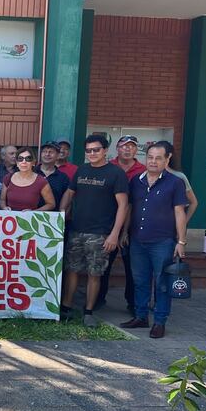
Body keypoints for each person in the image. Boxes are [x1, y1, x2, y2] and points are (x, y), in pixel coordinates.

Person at [119, 142, 187, 339]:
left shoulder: (175, 182)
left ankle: (159, 321)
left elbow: (179, 212)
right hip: (137, 240)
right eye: (150, 157)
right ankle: (141, 316)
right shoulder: (136, 181)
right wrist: (124, 232)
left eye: (158, 158)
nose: (153, 161)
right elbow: (130, 208)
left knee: (162, 283)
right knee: (139, 280)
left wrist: (181, 242)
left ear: (167, 159)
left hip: (163, 242)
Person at [59, 134, 129, 327]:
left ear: (105, 151)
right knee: (71, 269)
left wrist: (115, 233)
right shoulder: (81, 170)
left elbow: (123, 205)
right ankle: (66, 307)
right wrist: (60, 213)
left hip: (100, 234)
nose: (92, 153)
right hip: (76, 230)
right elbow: (69, 193)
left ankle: (88, 311)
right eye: (88, 150)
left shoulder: (116, 173)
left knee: (94, 273)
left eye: (96, 150)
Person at [98, 135, 147, 313]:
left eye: (131, 146)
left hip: (134, 226)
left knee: (133, 266)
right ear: (117, 149)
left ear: (136, 149)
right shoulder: (107, 167)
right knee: (103, 264)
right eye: (124, 146)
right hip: (106, 223)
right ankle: (98, 298)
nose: (127, 149)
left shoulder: (144, 170)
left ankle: (133, 302)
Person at [0, 147, 55, 212]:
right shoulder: (8, 178)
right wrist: (4, 207)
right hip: (10, 220)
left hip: (30, 220)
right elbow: (2, 200)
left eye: (28, 159)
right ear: (17, 163)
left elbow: (51, 204)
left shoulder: (41, 181)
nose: (24, 161)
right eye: (20, 159)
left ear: (33, 162)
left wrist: (34, 211)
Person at [160, 141, 198, 225]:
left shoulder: (179, 177)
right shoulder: (145, 176)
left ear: (169, 156)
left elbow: (193, 202)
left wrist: (183, 223)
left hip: (172, 224)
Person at [35, 141, 69, 210]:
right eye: (44, 151)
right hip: (28, 216)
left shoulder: (63, 178)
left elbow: (67, 201)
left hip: (52, 218)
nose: (47, 154)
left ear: (58, 155)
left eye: (51, 152)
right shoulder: (31, 172)